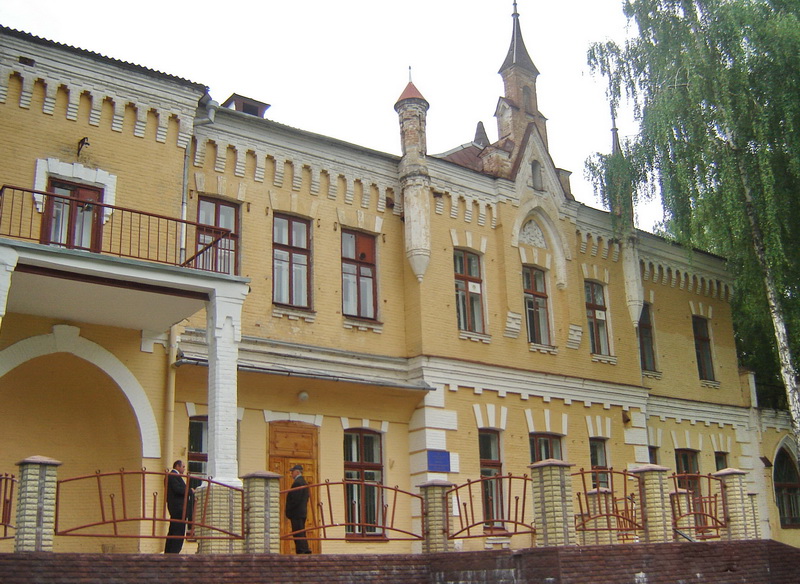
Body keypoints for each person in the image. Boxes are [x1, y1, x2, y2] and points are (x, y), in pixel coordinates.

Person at [164, 460, 193, 554]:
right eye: (183, 467)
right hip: (179, 508)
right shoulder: (173, 476)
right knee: (178, 531)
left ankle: (169, 552)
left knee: (173, 530)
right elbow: (178, 490)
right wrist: (190, 491)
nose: (184, 469)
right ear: (177, 466)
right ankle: (174, 552)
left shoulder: (173, 476)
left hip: (176, 508)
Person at [285, 464, 311, 554]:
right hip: (302, 512)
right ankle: (305, 549)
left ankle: (302, 550)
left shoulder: (297, 483)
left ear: (297, 472)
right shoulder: (304, 482)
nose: (291, 474)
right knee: (301, 531)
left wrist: (289, 510)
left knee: (297, 532)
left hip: (296, 513)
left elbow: (295, 499)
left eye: (292, 472)